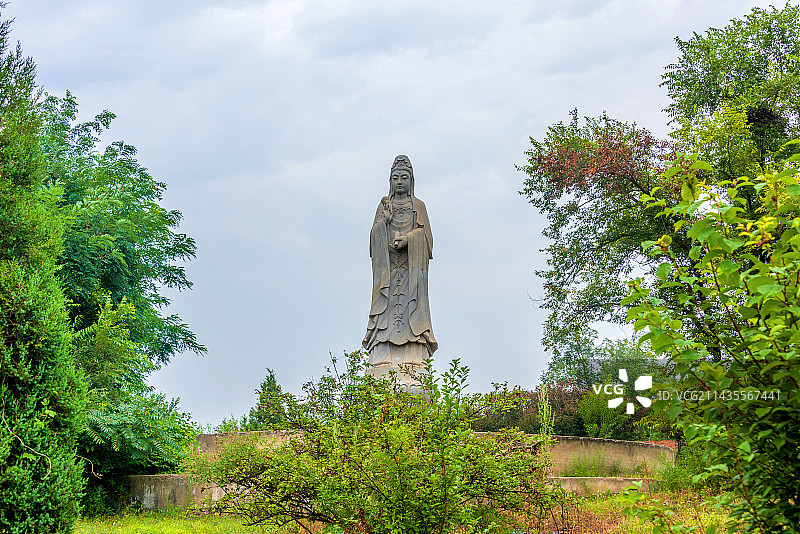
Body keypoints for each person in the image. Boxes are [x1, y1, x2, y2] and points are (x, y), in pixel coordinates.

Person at [363, 155, 437, 382]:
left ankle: (413, 355)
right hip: (389, 273)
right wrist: (383, 224)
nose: (400, 182)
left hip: (411, 272)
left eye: (404, 177)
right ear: (390, 180)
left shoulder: (419, 207)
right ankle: (382, 355)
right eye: (396, 178)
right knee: (386, 310)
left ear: (411, 180)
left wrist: (409, 240)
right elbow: (373, 241)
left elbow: (428, 240)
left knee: (411, 310)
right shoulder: (384, 205)